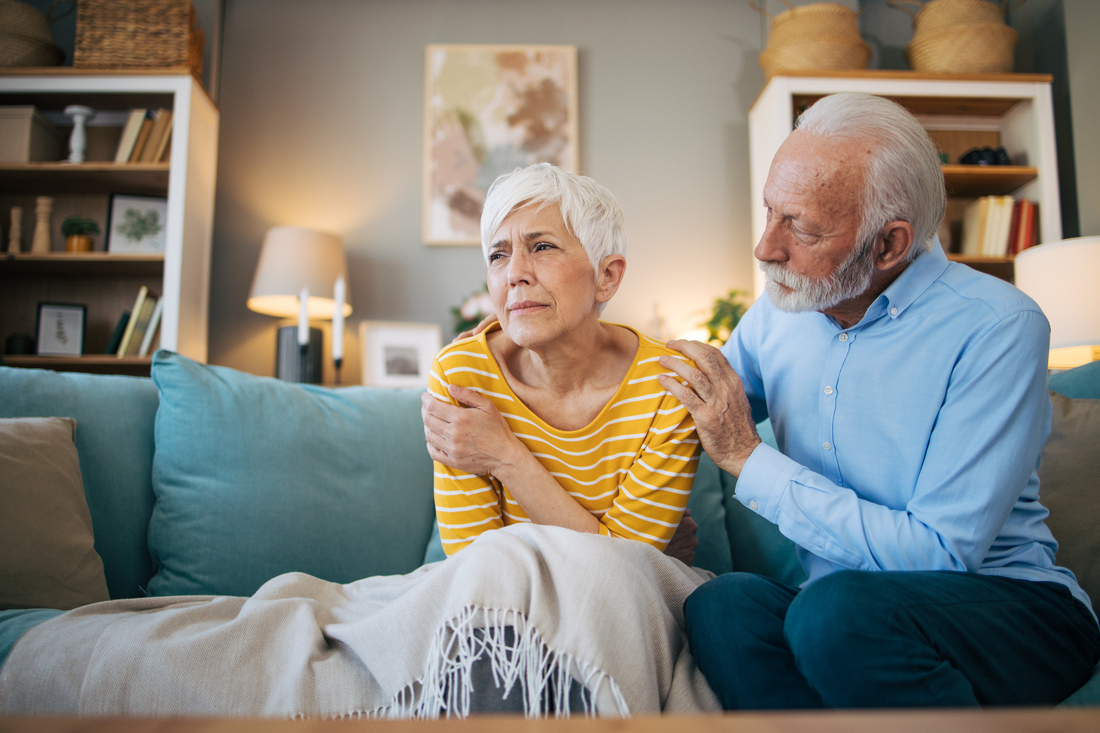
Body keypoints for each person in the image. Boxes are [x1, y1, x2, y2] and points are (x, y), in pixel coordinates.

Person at [657, 92, 1100, 709]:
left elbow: (939, 553)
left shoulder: (999, 326)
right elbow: (674, 415)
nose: (766, 248)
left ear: (889, 245)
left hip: (1008, 608)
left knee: (835, 613)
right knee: (722, 605)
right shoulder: (778, 313)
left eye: (801, 227)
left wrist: (749, 457)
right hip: (842, 610)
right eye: (770, 213)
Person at [422, 163, 701, 563]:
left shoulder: (669, 386)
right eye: (498, 255)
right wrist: (603, 537)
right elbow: (476, 569)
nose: (514, 273)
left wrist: (506, 457)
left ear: (606, 276)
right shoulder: (461, 374)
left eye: (542, 247)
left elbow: (625, 573)